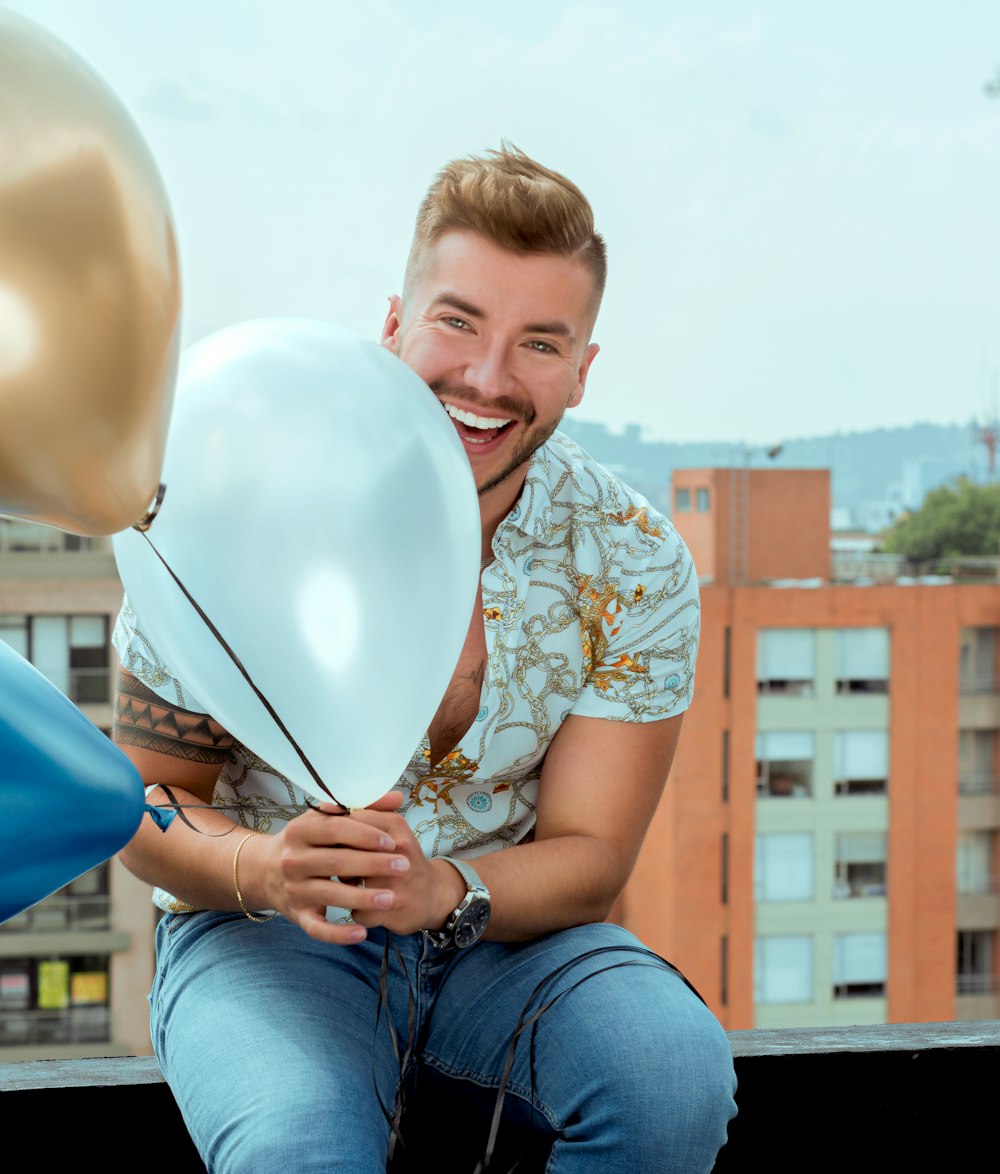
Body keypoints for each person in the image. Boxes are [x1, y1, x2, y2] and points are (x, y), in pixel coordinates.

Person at [112, 143, 738, 1173]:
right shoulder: (231, 514)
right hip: (265, 937)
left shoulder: (631, 559)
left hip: (508, 944)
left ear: (583, 371)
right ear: (394, 324)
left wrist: (446, 889)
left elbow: (591, 855)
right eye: (458, 320)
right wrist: (265, 868)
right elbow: (147, 800)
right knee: (297, 1149)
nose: (487, 379)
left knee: (669, 1080)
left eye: (540, 341)